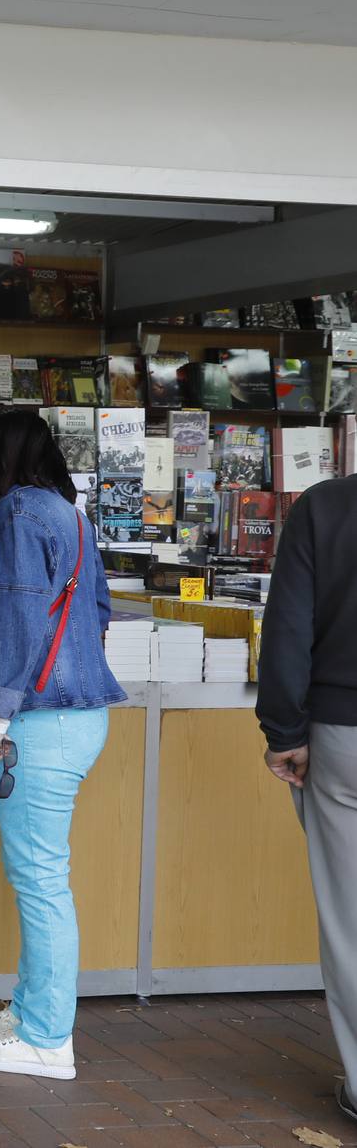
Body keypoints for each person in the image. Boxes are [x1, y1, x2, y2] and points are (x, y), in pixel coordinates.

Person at [0, 410, 124, 1080]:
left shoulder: (18, 515)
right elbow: (97, 612)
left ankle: (47, 1040)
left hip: (37, 723)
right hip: (73, 713)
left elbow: (17, 618)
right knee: (38, 876)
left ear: (0, 455)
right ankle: (28, 1010)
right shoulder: (65, 515)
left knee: (41, 881)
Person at [258, 473, 357, 1123]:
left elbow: (287, 627)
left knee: (349, 919)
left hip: (342, 734)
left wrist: (283, 731)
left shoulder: (325, 507)